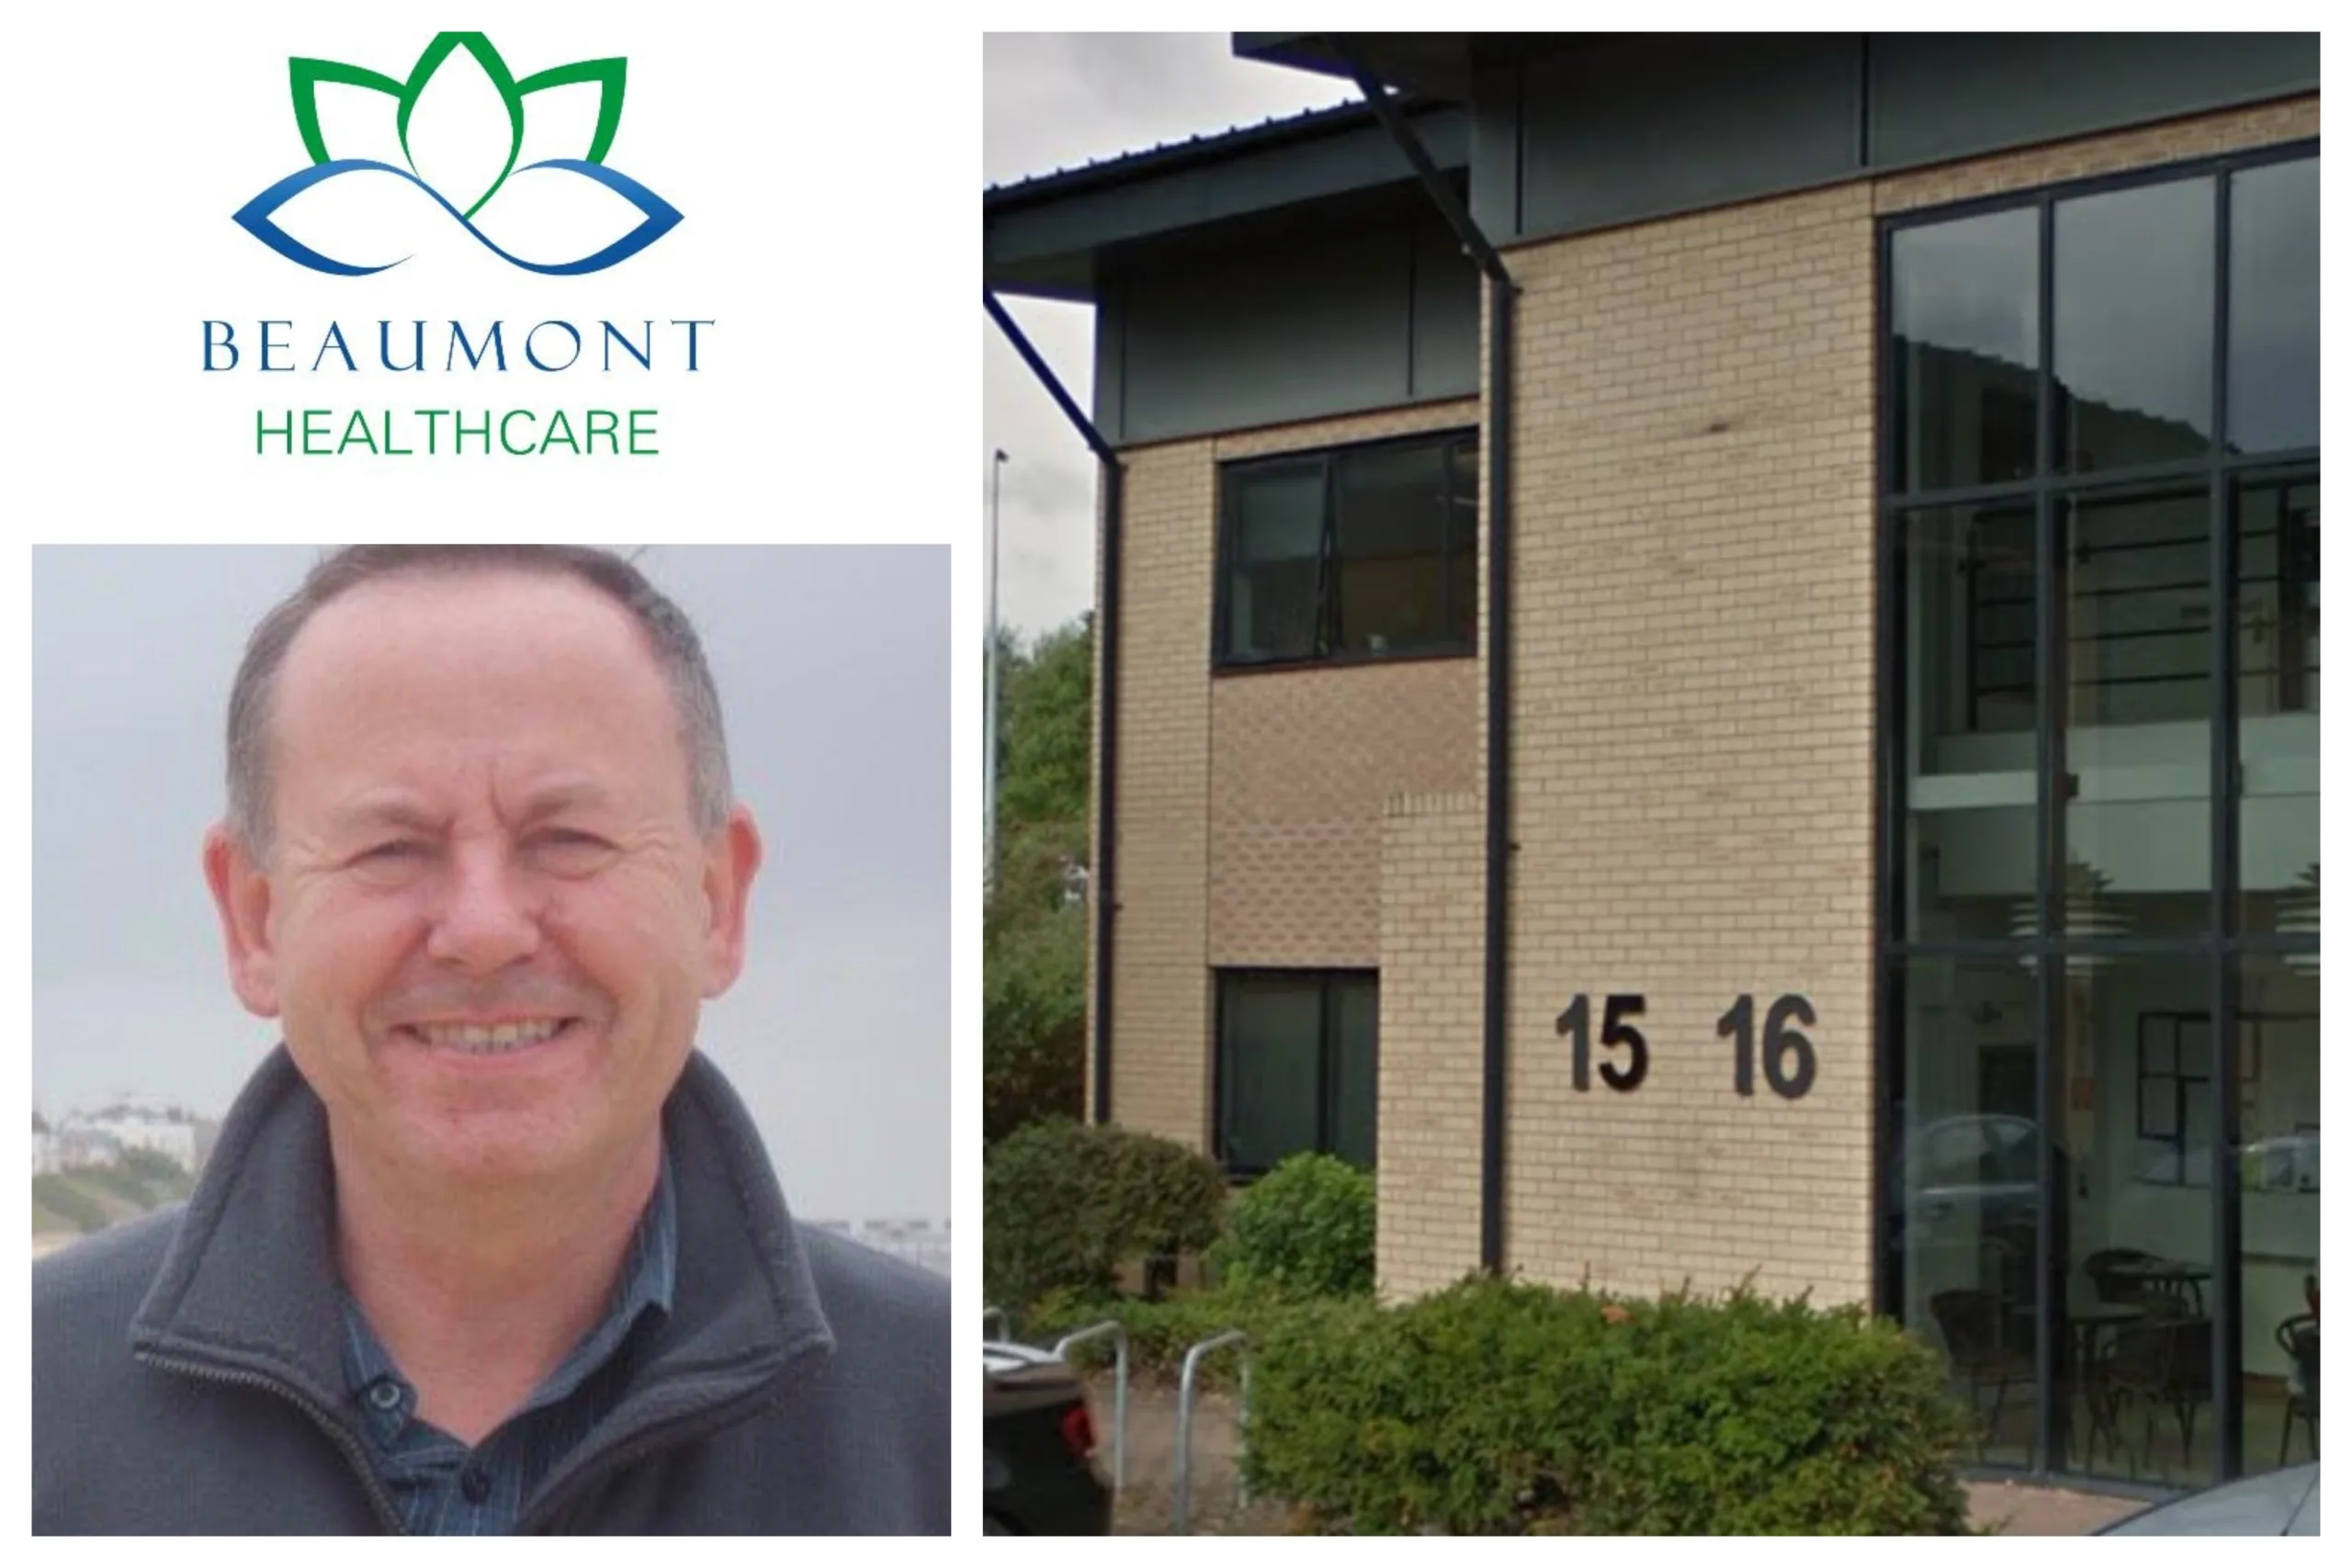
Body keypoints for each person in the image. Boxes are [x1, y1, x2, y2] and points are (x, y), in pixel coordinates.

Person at [32, 547, 950, 1534]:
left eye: (569, 839)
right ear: (254, 921)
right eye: (392, 848)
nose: (483, 930)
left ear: (716, 901)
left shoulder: (936, 1431)